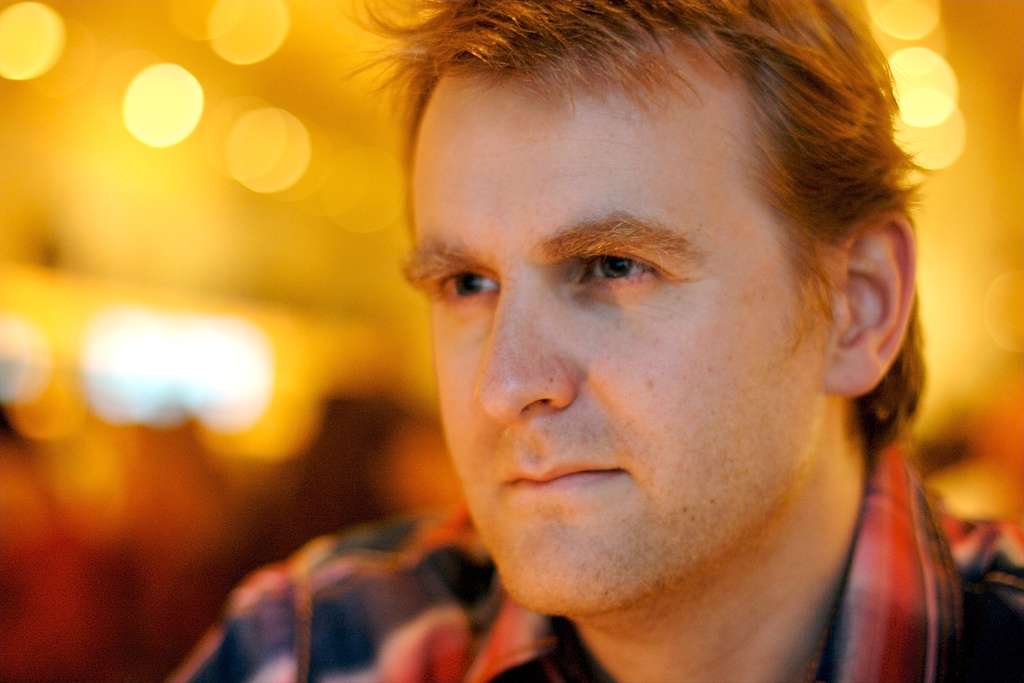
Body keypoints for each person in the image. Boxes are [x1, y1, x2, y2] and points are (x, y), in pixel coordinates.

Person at [172, 2, 1024, 682]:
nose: (504, 386)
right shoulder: (311, 650)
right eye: (466, 285)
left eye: (612, 266)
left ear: (859, 305)